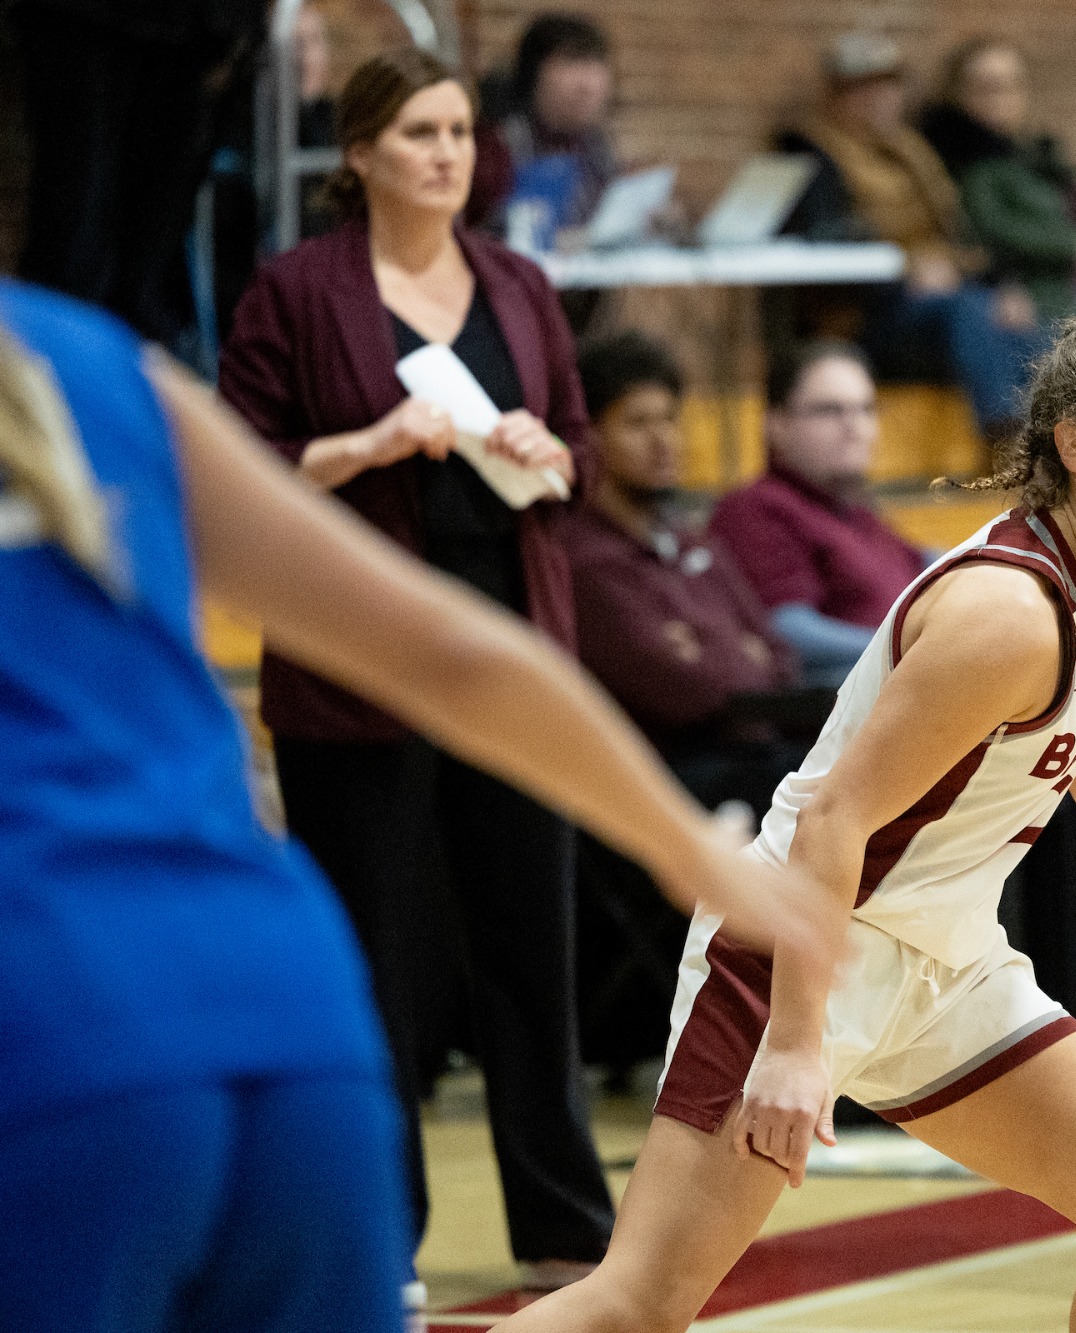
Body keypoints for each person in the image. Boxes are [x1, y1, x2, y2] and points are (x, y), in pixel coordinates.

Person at [496, 309, 1076, 1333]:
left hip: (947, 962)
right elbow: (833, 819)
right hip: (802, 952)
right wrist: (793, 1044)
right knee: (639, 1301)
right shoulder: (1007, 614)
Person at [0, 279, 834, 1333]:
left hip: (47, 1019)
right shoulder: (91, 360)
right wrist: (686, 848)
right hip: (287, 1008)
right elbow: (452, 651)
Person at [218, 50, 613, 1288]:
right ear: (359, 153)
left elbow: (586, 461)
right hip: (360, 659)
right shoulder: (295, 290)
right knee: (378, 969)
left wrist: (546, 447)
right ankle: (369, 1240)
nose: (446, 153)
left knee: (527, 955)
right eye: (417, 133)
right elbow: (242, 474)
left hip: (509, 647)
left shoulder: (518, 281)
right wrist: (368, 444)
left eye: (456, 131)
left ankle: (564, 1228)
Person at [564, 329, 806, 1074]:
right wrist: (733, 668)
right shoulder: (580, 557)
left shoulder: (693, 540)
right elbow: (684, 689)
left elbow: (778, 658)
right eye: (639, 422)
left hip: (739, 754)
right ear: (589, 438)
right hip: (659, 782)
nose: (665, 439)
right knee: (811, 793)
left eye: (671, 419)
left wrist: (724, 666)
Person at [779, 31, 1042, 437]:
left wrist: (1000, 283)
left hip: (938, 296)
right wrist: (904, 268)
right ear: (836, 95)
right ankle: (1008, 435)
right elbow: (822, 240)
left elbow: (960, 232)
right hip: (865, 316)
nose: (879, 97)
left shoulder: (912, 150)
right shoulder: (811, 152)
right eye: (863, 87)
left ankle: (1050, 425)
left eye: (889, 84)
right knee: (966, 311)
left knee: (1018, 316)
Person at [6, 0, 265, 349]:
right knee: (75, 241)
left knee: (148, 272)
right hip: (84, 16)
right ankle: (60, 381)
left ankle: (129, 378)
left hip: (204, 24)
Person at [708, 341, 927, 686]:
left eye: (866, 409)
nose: (854, 426)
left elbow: (930, 564)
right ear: (776, 423)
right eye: (829, 410)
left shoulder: (854, 511)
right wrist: (915, 650)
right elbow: (786, 632)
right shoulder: (755, 508)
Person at [918, 36, 1076, 323]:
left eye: (1011, 86)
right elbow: (989, 231)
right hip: (1022, 295)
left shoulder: (1038, 153)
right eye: (988, 88)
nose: (1000, 99)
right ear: (957, 92)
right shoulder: (956, 156)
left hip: (1072, 287)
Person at [490, 14, 620, 248]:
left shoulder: (593, 145)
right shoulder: (500, 143)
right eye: (571, 63)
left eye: (597, 65)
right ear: (534, 72)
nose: (588, 85)